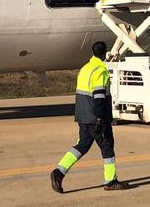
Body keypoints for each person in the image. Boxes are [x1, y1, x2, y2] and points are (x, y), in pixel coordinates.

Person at [50, 42, 132, 193]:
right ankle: (111, 181)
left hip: (83, 116)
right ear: (104, 53)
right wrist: (100, 119)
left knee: (82, 146)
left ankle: (59, 172)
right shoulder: (100, 71)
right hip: (96, 117)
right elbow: (99, 97)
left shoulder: (85, 68)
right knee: (107, 147)